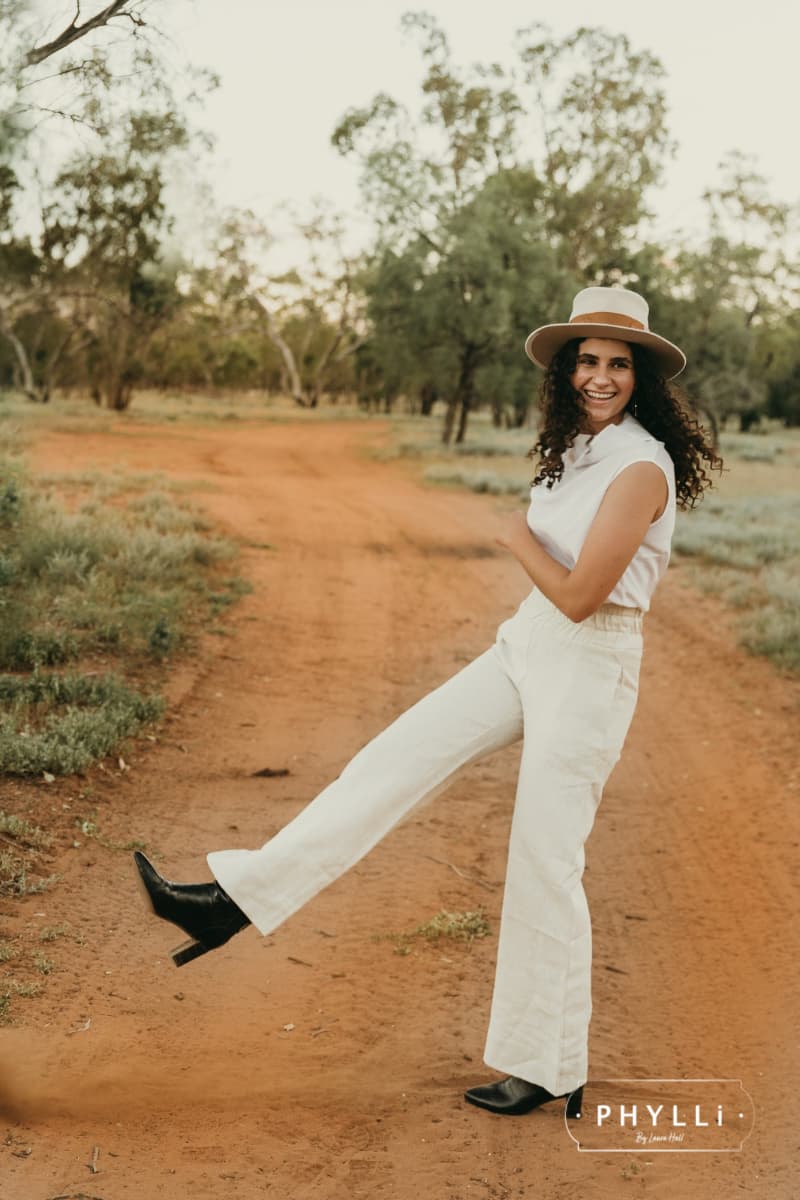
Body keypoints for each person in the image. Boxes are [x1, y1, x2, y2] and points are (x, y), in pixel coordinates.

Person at [134, 286, 723, 1119]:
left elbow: (586, 594)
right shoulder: (579, 449)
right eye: (587, 360)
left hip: (588, 660)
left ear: (642, 378)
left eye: (617, 364)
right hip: (529, 643)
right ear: (566, 370)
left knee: (544, 859)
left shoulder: (638, 464)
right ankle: (234, 901)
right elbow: (555, 597)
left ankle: (547, 1064)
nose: (600, 376)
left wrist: (515, 539)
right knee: (395, 758)